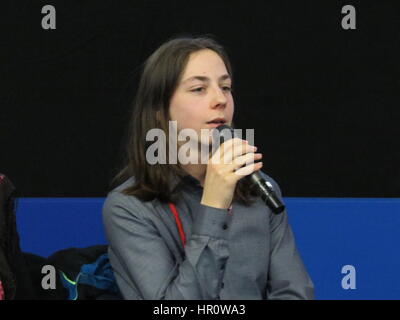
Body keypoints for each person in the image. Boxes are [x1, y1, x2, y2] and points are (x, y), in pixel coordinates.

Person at [102, 36, 314, 300]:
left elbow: (294, 292)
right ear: (160, 111)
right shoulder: (129, 207)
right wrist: (213, 204)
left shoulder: (261, 190)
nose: (220, 99)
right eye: (199, 89)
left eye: (225, 87)